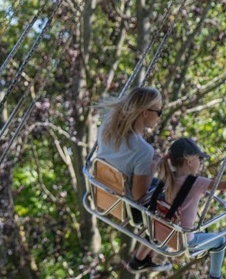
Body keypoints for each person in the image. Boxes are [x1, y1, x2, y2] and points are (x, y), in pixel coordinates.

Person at [90, 86, 166, 270]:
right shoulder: (142, 151)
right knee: (174, 200)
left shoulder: (108, 126)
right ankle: (141, 258)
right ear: (146, 113)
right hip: (128, 205)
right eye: (159, 112)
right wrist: (153, 166)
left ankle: (144, 257)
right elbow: (139, 195)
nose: (160, 116)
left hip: (105, 193)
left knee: (165, 187)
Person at [127, 137, 226, 276]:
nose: (201, 163)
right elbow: (221, 185)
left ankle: (138, 260)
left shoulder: (166, 177)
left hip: (161, 231)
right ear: (189, 161)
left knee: (160, 223)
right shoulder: (197, 183)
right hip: (183, 241)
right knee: (221, 241)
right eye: (199, 159)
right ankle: (215, 276)